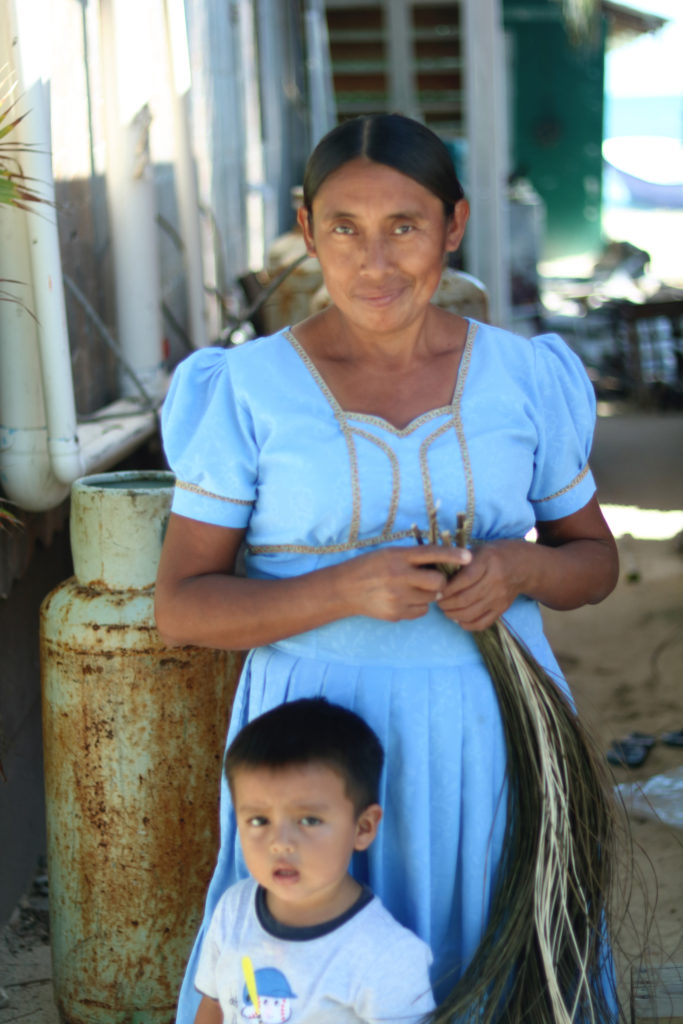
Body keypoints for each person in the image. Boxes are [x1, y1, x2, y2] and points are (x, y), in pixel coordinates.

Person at [155, 113, 620, 1023]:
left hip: (495, 736)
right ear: (306, 228)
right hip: (313, 758)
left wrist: (518, 568)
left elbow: (594, 564)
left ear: (453, 226)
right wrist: (341, 588)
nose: (374, 261)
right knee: (310, 978)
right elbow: (182, 606)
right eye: (344, 228)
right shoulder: (246, 390)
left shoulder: (523, 376)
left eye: (404, 226)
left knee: (490, 958)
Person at [192, 697, 436, 1024]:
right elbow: (214, 1008)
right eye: (259, 821)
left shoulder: (387, 956)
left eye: (308, 821)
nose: (280, 843)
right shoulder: (233, 911)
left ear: (362, 828)